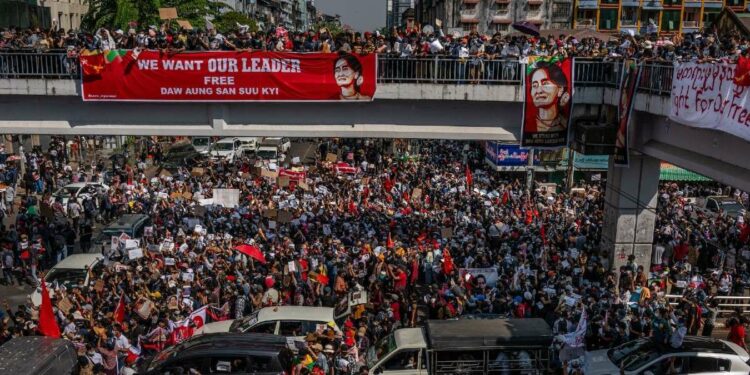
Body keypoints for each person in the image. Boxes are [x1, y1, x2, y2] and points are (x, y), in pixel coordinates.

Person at [528, 61, 570, 133]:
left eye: (545, 84)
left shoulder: (565, 124)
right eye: (534, 85)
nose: (539, 90)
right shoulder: (528, 124)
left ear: (560, 89)